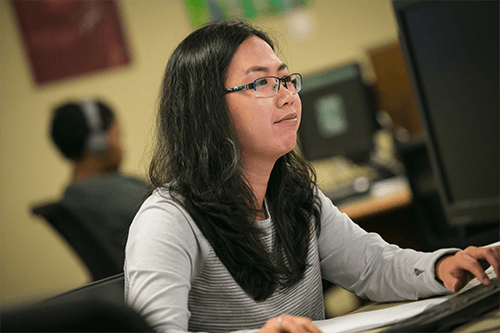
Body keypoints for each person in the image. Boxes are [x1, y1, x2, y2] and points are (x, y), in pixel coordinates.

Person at [124, 20, 500, 333]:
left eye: (286, 80)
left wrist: (440, 267)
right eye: (261, 83)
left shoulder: (294, 194)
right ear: (206, 109)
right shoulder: (167, 222)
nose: (287, 96)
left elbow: (371, 266)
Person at [50, 98, 150, 268]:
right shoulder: (109, 193)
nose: (122, 147)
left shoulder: (74, 194)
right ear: (98, 142)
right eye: (119, 136)